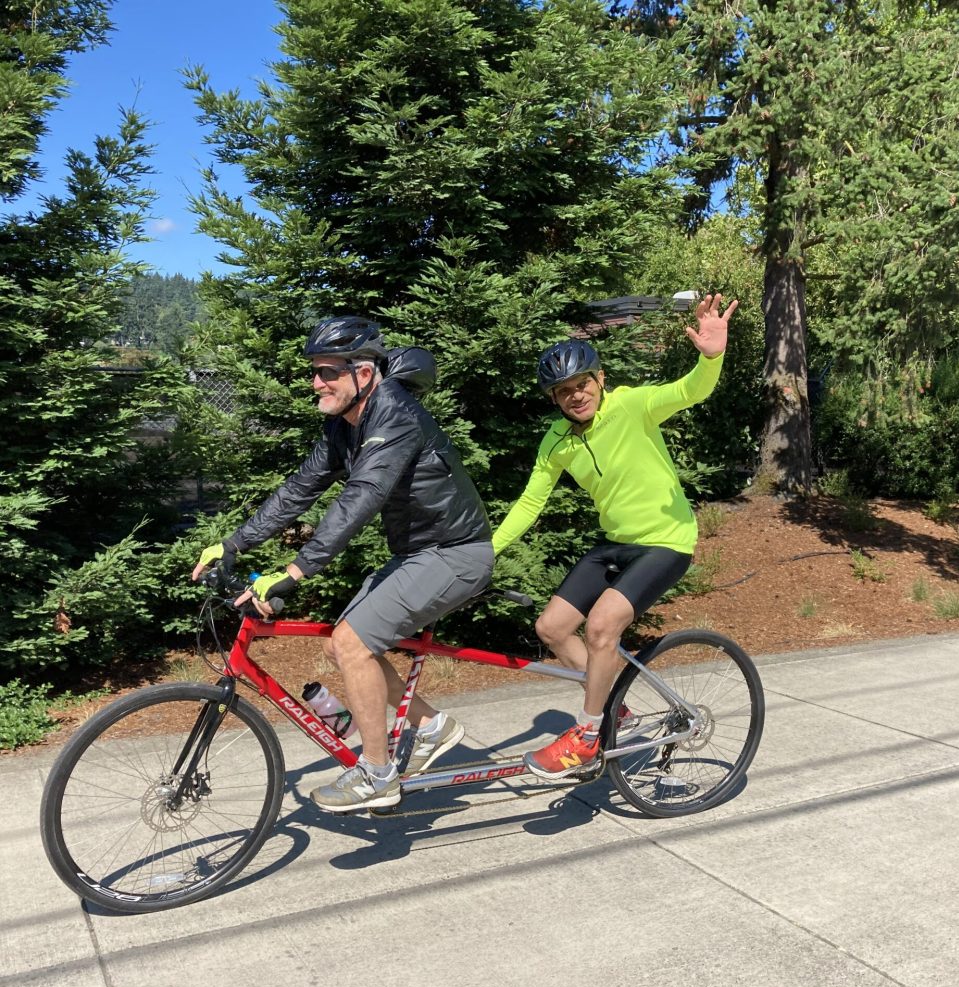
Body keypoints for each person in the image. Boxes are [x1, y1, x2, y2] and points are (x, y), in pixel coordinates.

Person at [191, 316, 494, 812]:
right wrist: (233, 544)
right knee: (343, 647)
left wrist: (293, 572)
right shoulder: (343, 425)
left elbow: (360, 499)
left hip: (456, 552)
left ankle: (377, 775)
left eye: (328, 371)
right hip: (418, 553)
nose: (316, 381)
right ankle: (432, 726)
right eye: (314, 370)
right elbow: (298, 490)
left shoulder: (395, 415)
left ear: (365, 373)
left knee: (352, 644)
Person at [492, 293, 738, 780]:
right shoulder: (556, 441)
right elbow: (529, 502)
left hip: (666, 540)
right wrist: (487, 551)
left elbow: (691, 390)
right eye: (563, 392)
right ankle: (612, 710)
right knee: (552, 628)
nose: (576, 396)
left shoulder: (633, 406)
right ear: (554, 399)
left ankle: (586, 735)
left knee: (602, 627)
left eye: (582, 384)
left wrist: (712, 357)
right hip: (616, 542)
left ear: (600, 379)